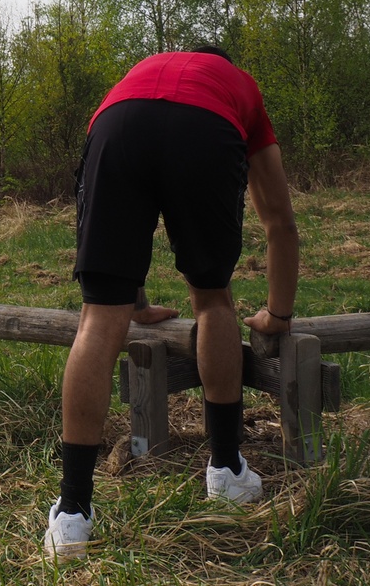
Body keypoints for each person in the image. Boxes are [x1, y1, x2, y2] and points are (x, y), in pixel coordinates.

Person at [42, 47, 299, 560]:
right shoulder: (237, 84)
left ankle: (72, 516)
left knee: (98, 318)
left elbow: (139, 152)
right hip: (204, 131)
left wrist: (132, 303)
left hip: (116, 123)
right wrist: (278, 314)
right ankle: (226, 470)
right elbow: (280, 222)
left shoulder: (142, 71)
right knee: (212, 301)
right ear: (220, 63)